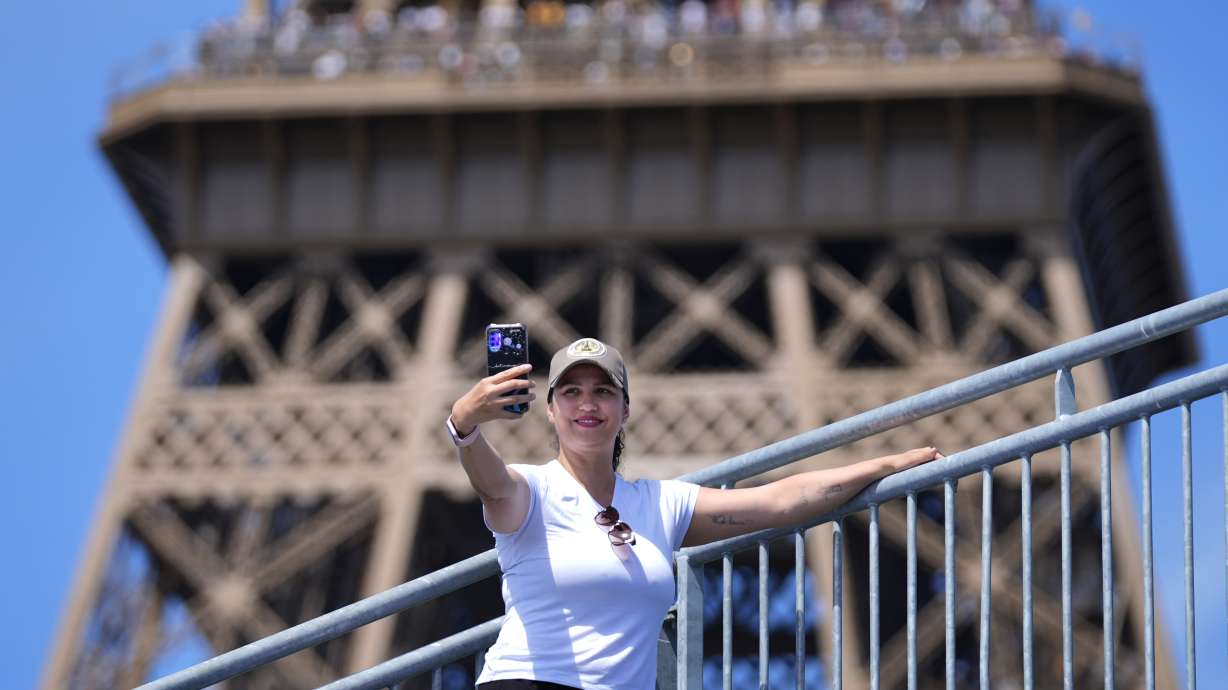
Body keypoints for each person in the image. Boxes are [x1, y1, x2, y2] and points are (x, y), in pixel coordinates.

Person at [445, 337, 942, 690]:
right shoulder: (530, 490)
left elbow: (779, 502)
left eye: (603, 391)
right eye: (571, 392)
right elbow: (490, 483)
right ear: (550, 409)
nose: (587, 404)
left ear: (625, 410)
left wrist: (885, 464)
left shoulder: (662, 502)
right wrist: (463, 425)